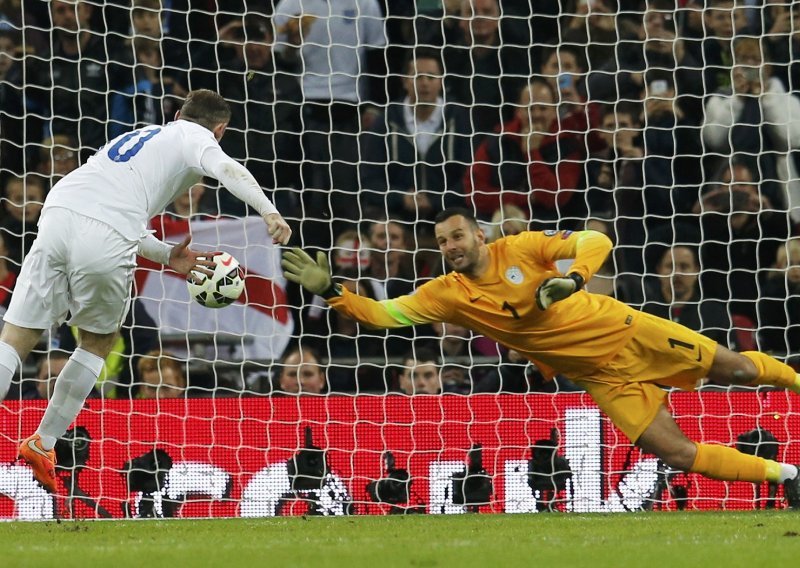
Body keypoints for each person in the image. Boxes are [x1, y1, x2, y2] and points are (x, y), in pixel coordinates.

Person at [282, 207, 800, 506]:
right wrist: (332, 290)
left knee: (737, 368)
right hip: (601, 377)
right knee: (678, 454)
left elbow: (596, 239)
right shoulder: (447, 292)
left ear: (479, 234)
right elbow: (382, 315)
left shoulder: (524, 247)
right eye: (442, 241)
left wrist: (570, 279)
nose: (451, 246)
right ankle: (788, 479)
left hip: (628, 331)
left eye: (458, 235)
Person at [1, 89, 292, 494]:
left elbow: (116, 208)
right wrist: (269, 211)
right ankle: (43, 442)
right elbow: (228, 170)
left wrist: (166, 256)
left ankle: (41, 441)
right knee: (98, 341)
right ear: (220, 130)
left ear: (175, 113)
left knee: (15, 339)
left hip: (58, 211)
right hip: (105, 231)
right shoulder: (196, 139)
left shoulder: (140, 138)